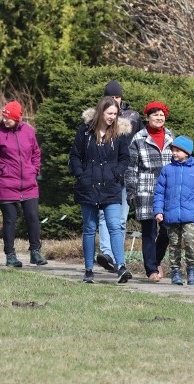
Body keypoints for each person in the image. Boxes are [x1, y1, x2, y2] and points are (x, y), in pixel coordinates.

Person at [69, 96, 133, 284]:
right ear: (100, 112)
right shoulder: (85, 132)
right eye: (109, 113)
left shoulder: (120, 134)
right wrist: (81, 174)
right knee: (89, 228)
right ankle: (88, 270)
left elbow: (125, 158)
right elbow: (75, 156)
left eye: (115, 113)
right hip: (88, 187)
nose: (112, 117)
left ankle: (121, 267)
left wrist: (117, 174)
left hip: (111, 187)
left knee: (115, 226)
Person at [0, 101, 47, 267]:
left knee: (32, 218)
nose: (5, 119)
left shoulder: (29, 132)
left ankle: (35, 252)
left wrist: (34, 170)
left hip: (29, 184)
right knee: (10, 220)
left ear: (18, 117)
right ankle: (10, 255)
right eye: (4, 116)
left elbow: (36, 153)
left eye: (8, 117)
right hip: (6, 184)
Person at [95, 80, 143, 273]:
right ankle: (106, 253)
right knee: (103, 215)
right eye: (111, 97)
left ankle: (116, 257)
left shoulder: (133, 117)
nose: (114, 100)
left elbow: (140, 141)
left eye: (117, 96)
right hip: (105, 174)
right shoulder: (99, 116)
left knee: (121, 219)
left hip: (126, 173)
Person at [125, 101, 173, 281]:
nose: (159, 118)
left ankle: (157, 260)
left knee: (168, 230)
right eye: (155, 115)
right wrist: (131, 191)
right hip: (145, 190)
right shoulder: (138, 138)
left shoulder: (170, 136)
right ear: (147, 118)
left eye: (161, 114)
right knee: (149, 231)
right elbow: (131, 168)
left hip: (167, 191)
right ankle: (151, 269)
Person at [153, 136, 194, 285]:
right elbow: (159, 193)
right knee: (174, 245)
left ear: (187, 152)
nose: (174, 153)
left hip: (189, 216)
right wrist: (158, 211)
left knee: (190, 242)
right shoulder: (167, 170)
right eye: (173, 150)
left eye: (178, 150)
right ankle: (175, 272)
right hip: (171, 216)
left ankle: (191, 269)